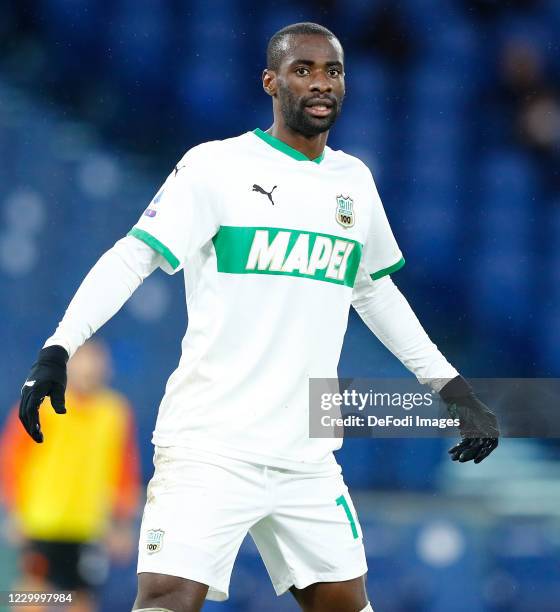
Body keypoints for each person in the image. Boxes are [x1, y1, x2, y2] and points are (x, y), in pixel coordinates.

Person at [18, 22, 499, 612]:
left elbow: (374, 293)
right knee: (168, 596)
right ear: (270, 82)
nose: (321, 84)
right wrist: (59, 347)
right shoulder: (215, 167)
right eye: (304, 70)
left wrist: (450, 387)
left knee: (346, 605)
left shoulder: (354, 183)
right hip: (211, 445)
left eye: (333, 71)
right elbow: (133, 256)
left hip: (306, 455)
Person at [2, 340, 140, 612]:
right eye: (83, 361)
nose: (90, 369)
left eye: (97, 362)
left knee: (82, 599)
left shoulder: (115, 412)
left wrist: (123, 523)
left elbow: (124, 471)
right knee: (34, 593)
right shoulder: (40, 404)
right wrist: (13, 510)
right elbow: (12, 459)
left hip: (89, 525)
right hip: (42, 522)